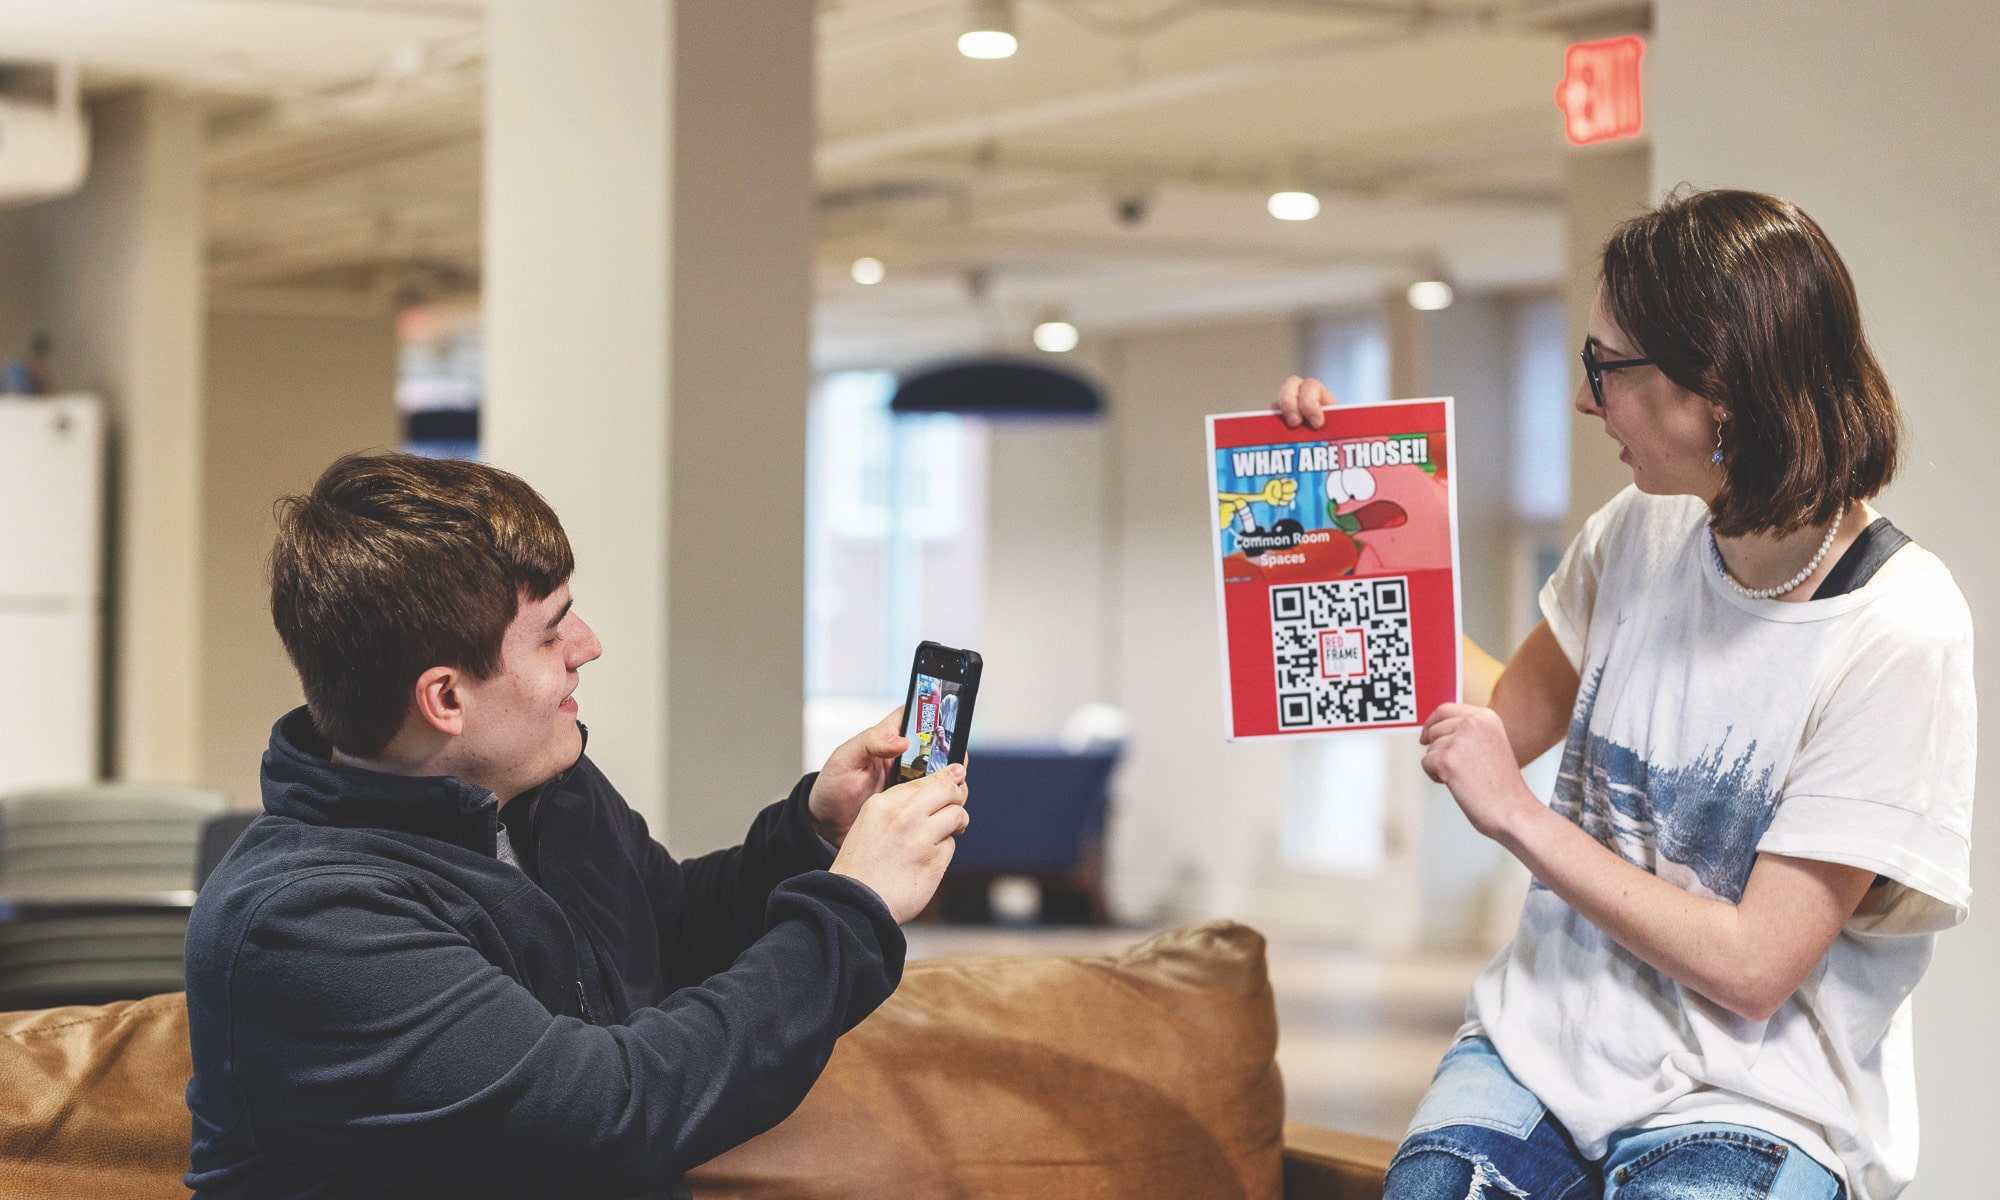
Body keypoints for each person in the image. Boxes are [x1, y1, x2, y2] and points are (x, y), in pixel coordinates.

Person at [1276, 188, 1973, 1200]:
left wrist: (1516, 820)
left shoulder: (1894, 627)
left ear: (1718, 383)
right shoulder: (1635, 532)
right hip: (1541, 1046)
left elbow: (1750, 967)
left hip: (1755, 1098)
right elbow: (1499, 719)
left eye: (1603, 367)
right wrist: (1340, 502)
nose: (1580, 399)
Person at [184, 452, 970, 1200]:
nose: (588, 646)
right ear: (446, 700)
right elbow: (609, 1116)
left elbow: (671, 933)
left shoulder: (546, 788)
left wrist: (813, 834)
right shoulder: (303, 924)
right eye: (554, 631)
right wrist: (854, 906)